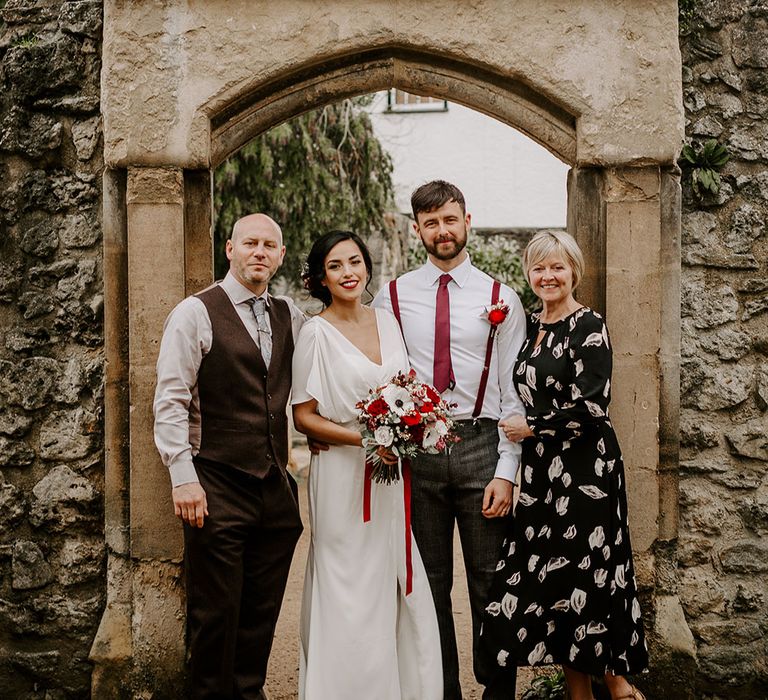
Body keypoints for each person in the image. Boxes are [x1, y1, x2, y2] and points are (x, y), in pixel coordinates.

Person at [372, 181, 527, 700]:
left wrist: (507, 471)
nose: (443, 231)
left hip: (482, 445)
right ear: (417, 228)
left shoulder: (500, 297)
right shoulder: (391, 296)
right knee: (429, 583)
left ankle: (497, 689)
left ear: (467, 221)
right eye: (431, 222)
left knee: (490, 580)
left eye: (451, 219)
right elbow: (381, 376)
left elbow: (513, 392)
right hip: (420, 451)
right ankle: (442, 690)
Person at [482, 230, 649, 700]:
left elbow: (594, 405)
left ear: (574, 270)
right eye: (539, 267)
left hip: (585, 471)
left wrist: (531, 427)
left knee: (590, 573)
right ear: (528, 274)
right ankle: (579, 695)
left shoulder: (589, 325)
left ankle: (619, 686)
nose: (548, 276)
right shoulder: (532, 325)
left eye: (557, 267)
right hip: (539, 475)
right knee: (554, 578)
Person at [153, 213, 305, 700]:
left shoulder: (291, 315)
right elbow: (170, 398)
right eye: (250, 243)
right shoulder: (195, 313)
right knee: (215, 613)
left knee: (262, 611)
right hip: (215, 481)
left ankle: (249, 693)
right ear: (230, 249)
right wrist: (183, 477)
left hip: (275, 488)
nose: (259, 252)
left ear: (281, 256)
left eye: (269, 245)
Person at [291, 230, 443, 700]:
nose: (349, 272)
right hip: (341, 476)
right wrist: (367, 436)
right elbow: (303, 415)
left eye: (355, 261)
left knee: (390, 577)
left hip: (390, 475)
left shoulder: (388, 322)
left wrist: (411, 427)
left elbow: (408, 390)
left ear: (367, 267)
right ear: (321, 277)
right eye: (335, 266)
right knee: (348, 583)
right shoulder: (314, 333)